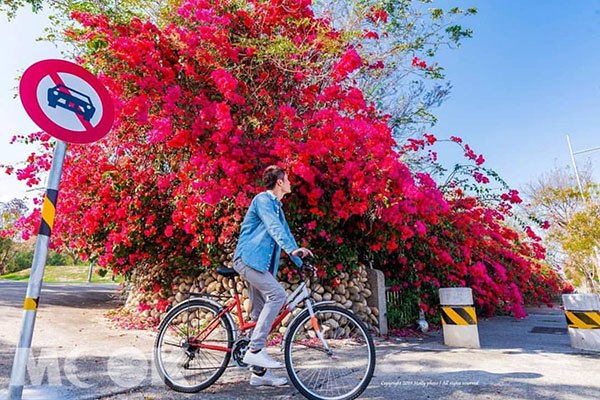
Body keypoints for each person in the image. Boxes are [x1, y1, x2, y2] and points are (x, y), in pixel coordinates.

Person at [233, 165, 313, 387]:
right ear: (279, 182)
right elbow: (274, 228)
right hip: (248, 260)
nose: (289, 183)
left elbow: (285, 233)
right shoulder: (263, 200)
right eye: (287, 179)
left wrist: (300, 260)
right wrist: (291, 250)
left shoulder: (277, 207)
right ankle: (255, 350)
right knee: (278, 296)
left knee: (258, 316)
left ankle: (258, 374)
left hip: (259, 266)